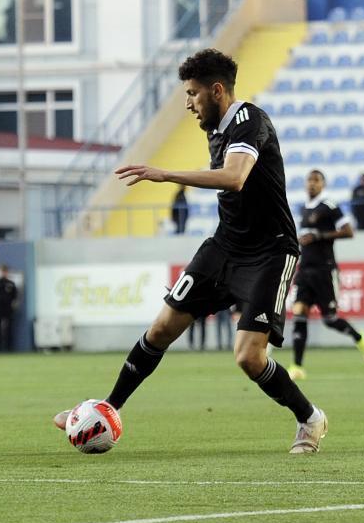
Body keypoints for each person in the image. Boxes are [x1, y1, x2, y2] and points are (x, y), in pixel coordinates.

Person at [54, 49, 327, 454]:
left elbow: (234, 177)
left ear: (217, 91)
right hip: (225, 246)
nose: (188, 103)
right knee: (161, 329)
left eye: (193, 93)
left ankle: (310, 418)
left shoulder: (249, 121)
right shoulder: (214, 130)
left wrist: (165, 174)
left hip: (270, 252)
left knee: (248, 358)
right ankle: (108, 408)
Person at [289, 169, 364, 380]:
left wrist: (319, 235)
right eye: (309, 180)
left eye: (316, 180)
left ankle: (358, 337)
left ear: (323, 184)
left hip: (324, 270)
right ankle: (297, 367)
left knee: (330, 319)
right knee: (299, 313)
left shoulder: (329, 206)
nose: (312, 183)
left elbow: (348, 231)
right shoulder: (303, 208)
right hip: (305, 270)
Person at [0, 265, 18, 352]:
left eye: (5, 271)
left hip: (8, 308)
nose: (4, 273)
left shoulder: (11, 283)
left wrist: (11, 304)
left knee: (9, 328)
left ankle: (9, 347)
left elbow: (14, 296)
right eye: (2, 271)